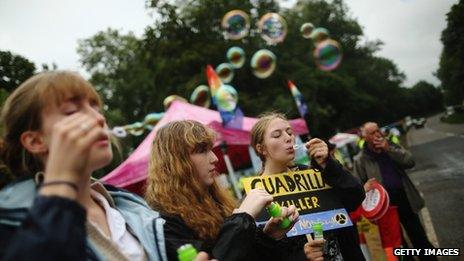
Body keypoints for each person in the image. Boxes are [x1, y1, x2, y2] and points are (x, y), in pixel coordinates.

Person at [0, 71, 210, 261]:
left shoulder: (133, 210)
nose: (99, 118)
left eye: (95, 107)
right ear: (35, 142)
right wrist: (60, 183)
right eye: (72, 111)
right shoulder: (10, 221)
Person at [145, 120, 299, 261]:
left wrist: (269, 237)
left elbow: (243, 254)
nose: (214, 158)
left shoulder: (215, 200)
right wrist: (242, 217)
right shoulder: (163, 222)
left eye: (210, 149)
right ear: (177, 161)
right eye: (201, 150)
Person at [250, 112, 366, 260]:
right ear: (261, 148)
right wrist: (302, 257)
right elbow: (264, 254)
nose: (288, 138)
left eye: (289, 132)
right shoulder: (256, 196)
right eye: (277, 135)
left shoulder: (314, 173)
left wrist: (328, 164)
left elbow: (356, 197)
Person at [353, 122, 436, 259]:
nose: (377, 135)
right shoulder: (360, 159)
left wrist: (389, 149)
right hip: (384, 207)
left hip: (403, 197)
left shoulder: (390, 145)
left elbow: (410, 161)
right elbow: (359, 186)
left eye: (378, 131)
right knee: (397, 241)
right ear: (365, 138)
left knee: (417, 234)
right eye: (372, 133)